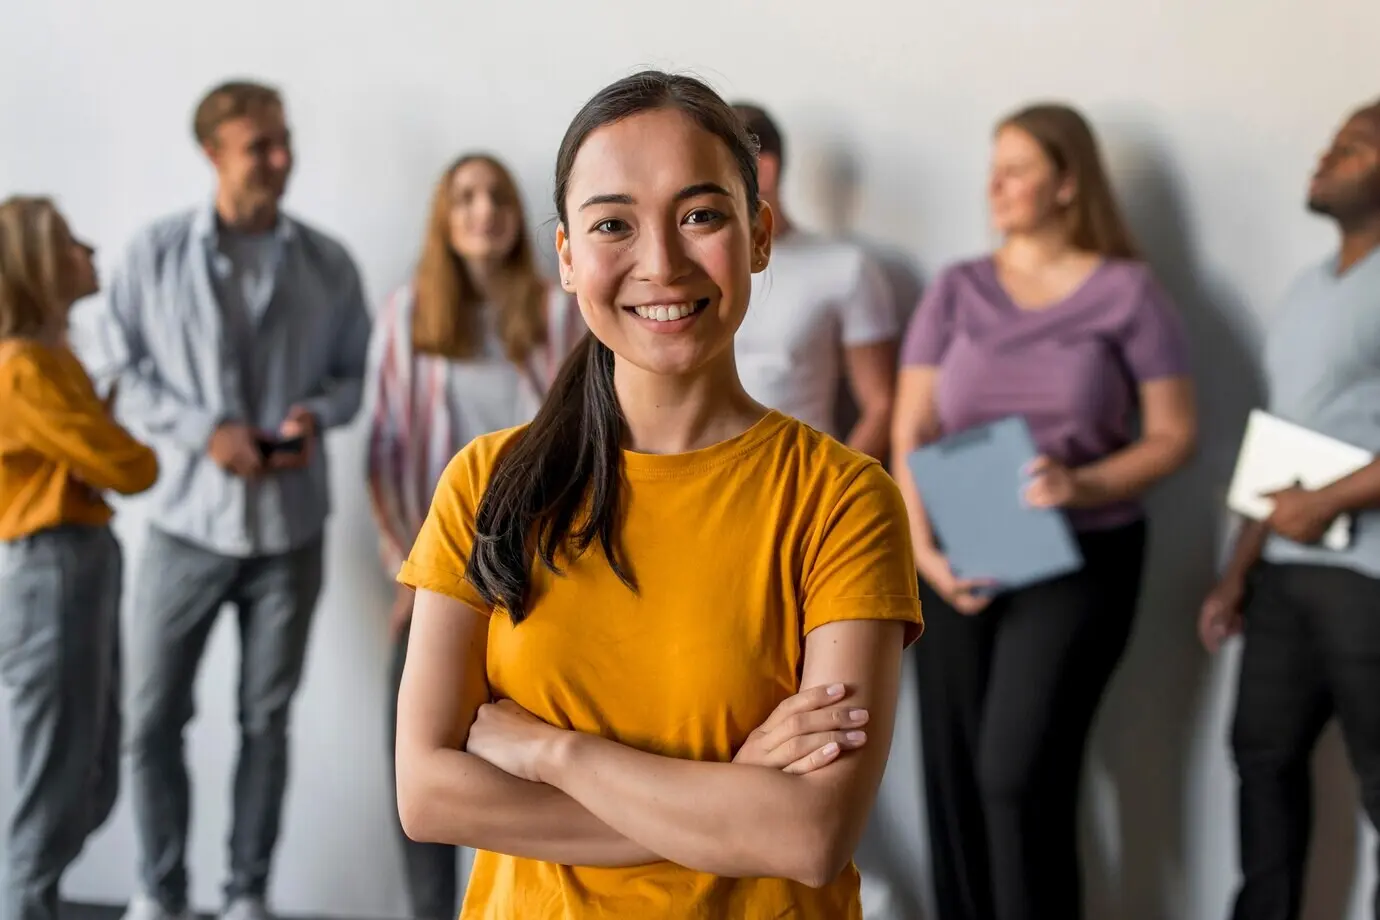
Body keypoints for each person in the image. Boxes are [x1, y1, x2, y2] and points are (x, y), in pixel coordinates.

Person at [392, 70, 923, 919]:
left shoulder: (843, 500)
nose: (662, 262)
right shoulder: (485, 484)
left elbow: (810, 834)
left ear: (759, 235)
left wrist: (548, 753)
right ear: (567, 257)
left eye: (701, 216)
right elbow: (428, 796)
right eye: (612, 224)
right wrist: (733, 796)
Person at [891, 103, 1197, 920]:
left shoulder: (1128, 293)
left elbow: (1175, 436)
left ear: (1067, 183)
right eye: (994, 165)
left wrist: (1084, 485)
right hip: (955, 549)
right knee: (956, 775)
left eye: (1019, 167)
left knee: (1015, 772)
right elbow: (910, 427)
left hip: (1083, 552)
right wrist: (923, 554)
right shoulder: (955, 288)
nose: (996, 183)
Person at [96, 80, 372, 920]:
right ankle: (158, 893)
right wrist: (203, 431)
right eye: (262, 146)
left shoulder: (328, 263)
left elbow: (353, 379)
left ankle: (246, 895)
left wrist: (312, 415)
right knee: (149, 723)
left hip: (290, 533)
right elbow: (116, 373)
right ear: (214, 154)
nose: (282, 160)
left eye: (286, 141)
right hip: (186, 527)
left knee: (266, 722)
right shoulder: (151, 256)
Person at [365, 152, 584, 920]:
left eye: (495, 195)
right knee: (421, 766)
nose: (483, 210)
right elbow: (383, 454)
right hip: (437, 572)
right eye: (464, 196)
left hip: (539, 569)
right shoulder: (404, 313)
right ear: (443, 215)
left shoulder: (559, 311)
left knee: (529, 757)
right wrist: (406, 569)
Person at [1199, 98, 1380, 920]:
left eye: (1352, 145)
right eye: (1329, 140)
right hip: (1281, 576)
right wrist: (1237, 573)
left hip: (1366, 579)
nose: (1325, 156)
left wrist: (1331, 501)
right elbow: (1278, 438)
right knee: (1261, 762)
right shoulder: (1309, 287)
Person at [0, 196, 160, 920]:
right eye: (68, 241)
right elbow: (131, 467)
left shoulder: (54, 359)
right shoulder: (26, 368)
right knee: (55, 784)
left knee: (88, 778)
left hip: (82, 562)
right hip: (52, 568)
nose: (87, 251)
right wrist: (117, 443)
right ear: (35, 262)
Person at [727, 103, 898, 460]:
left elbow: (882, 405)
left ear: (764, 171)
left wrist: (837, 492)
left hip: (803, 481)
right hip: (707, 479)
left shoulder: (846, 268)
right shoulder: (691, 270)